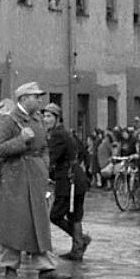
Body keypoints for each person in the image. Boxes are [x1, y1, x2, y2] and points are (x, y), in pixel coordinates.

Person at [0, 82, 71, 279]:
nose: (40, 100)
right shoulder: (8, 120)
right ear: (24, 98)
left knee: (39, 222)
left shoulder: (37, 119)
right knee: (13, 223)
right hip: (14, 178)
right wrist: (20, 140)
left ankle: (46, 267)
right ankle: (10, 267)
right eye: (36, 96)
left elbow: (44, 147)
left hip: (35, 177)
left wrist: (44, 166)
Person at [42, 103, 91, 262]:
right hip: (76, 177)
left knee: (56, 215)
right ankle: (77, 248)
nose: (46, 119)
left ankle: (80, 241)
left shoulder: (57, 134)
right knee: (74, 215)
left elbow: (50, 159)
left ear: (57, 118)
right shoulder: (67, 133)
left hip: (68, 180)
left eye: (49, 116)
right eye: (44, 116)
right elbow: (83, 151)